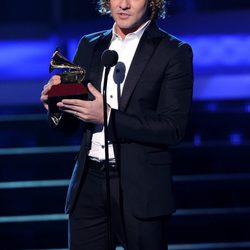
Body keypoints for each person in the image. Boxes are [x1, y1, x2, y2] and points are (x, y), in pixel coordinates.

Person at [40, 0, 193, 249]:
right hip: (88, 184)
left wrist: (108, 117)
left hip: (141, 189)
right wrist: (56, 106)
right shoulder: (90, 45)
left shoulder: (174, 51)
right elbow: (68, 126)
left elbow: (172, 128)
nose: (123, 4)